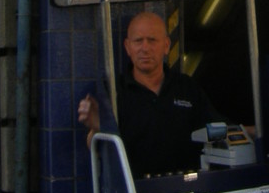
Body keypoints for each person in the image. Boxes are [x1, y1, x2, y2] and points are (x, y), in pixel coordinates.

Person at [79, 10, 218, 175]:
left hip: (186, 189)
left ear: (166, 46)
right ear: (127, 47)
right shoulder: (113, 91)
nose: (145, 48)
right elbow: (95, 147)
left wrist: (254, 131)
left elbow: (218, 129)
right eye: (138, 41)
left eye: (152, 40)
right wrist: (98, 127)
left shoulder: (186, 86)